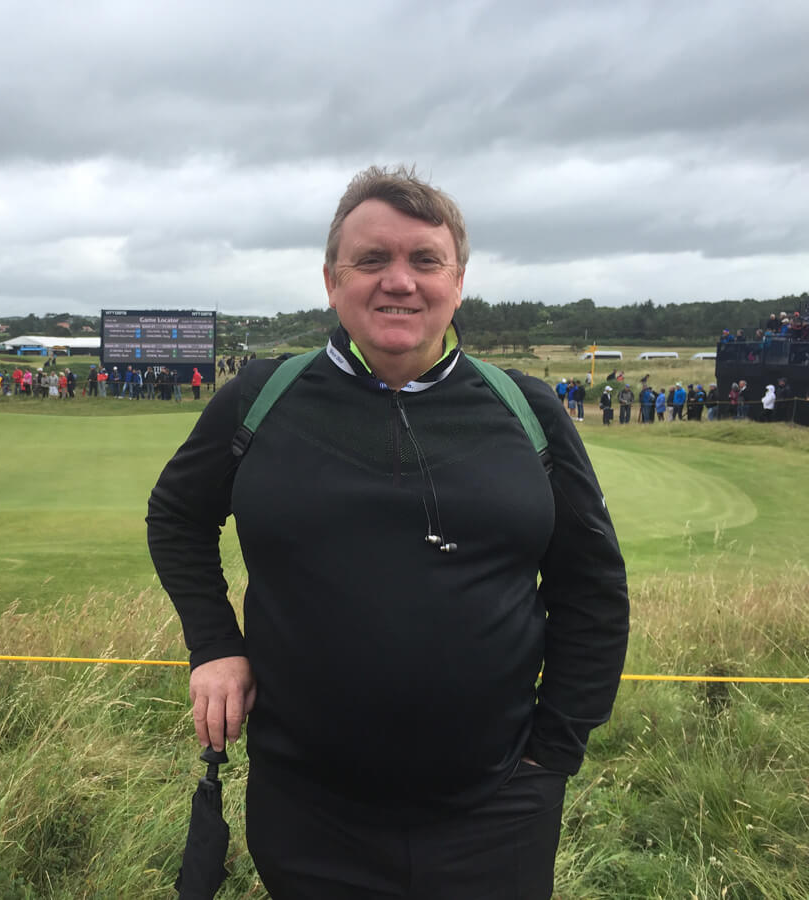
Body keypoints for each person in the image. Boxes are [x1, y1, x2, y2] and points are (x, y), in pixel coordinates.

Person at [148, 165, 629, 898]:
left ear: (458, 281)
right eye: (372, 259)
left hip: (497, 809)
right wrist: (214, 644)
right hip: (308, 812)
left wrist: (552, 755)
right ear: (331, 279)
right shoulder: (260, 399)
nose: (398, 281)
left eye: (424, 260)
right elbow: (177, 517)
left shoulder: (527, 410)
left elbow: (593, 589)